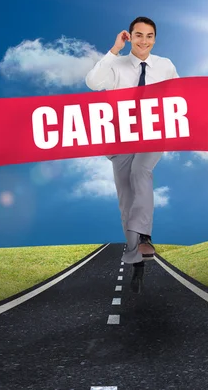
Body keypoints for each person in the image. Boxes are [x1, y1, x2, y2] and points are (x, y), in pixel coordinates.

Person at [85, 16, 179, 294]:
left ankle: (145, 237)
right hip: (120, 136)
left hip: (152, 132)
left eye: (149, 36)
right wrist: (113, 50)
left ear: (155, 39)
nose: (144, 41)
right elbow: (92, 82)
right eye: (139, 35)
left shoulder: (165, 65)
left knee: (141, 171)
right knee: (126, 196)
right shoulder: (116, 64)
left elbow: (181, 94)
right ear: (130, 37)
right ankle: (135, 255)